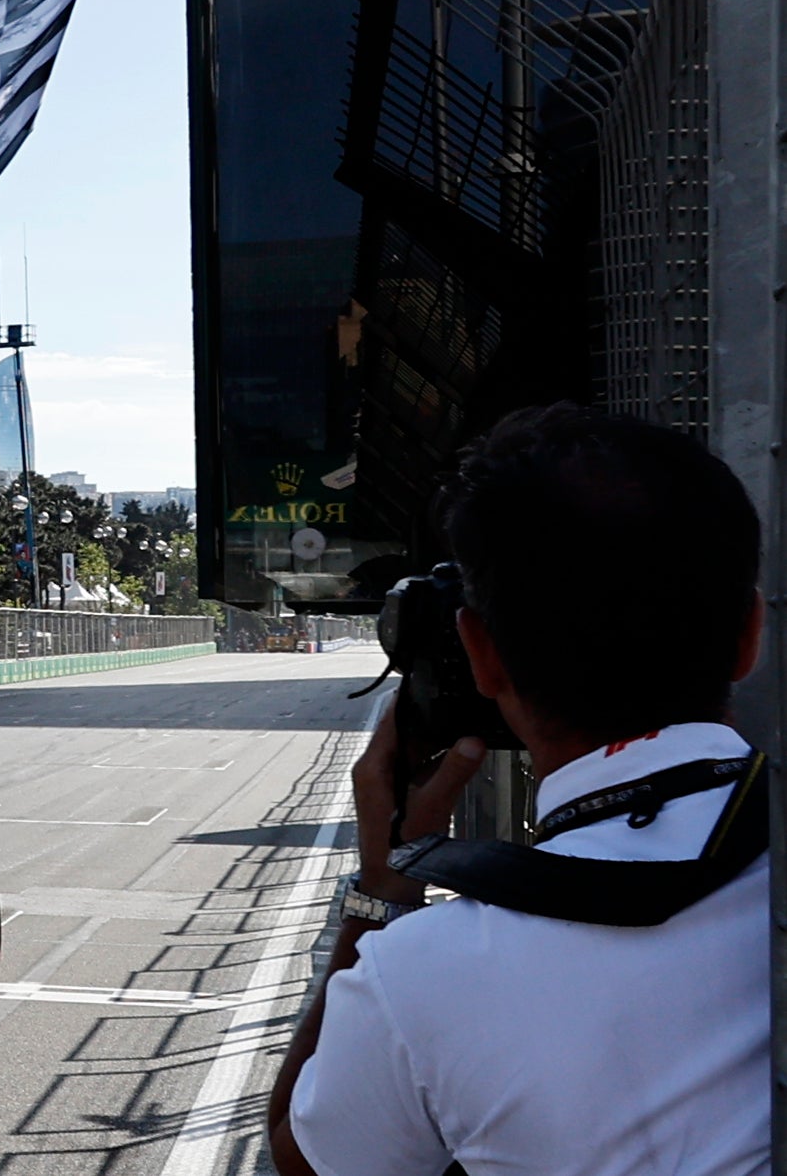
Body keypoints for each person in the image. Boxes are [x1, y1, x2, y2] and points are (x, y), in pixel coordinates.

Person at [269, 404, 767, 1176]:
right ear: (749, 633)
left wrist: (381, 891)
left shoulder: (421, 975)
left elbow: (306, 1156)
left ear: (481, 655)